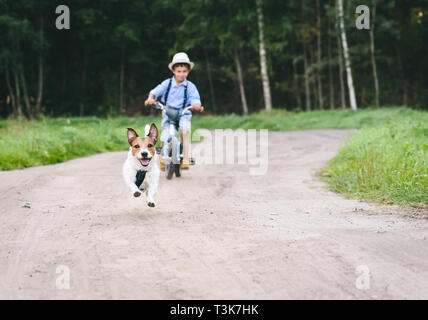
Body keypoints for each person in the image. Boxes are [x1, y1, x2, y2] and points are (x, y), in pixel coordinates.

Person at [145, 52, 202, 170]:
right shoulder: (168, 83)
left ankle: (185, 158)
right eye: (179, 71)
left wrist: (196, 104)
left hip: (184, 112)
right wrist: (151, 98)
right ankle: (161, 157)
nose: (181, 74)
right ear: (173, 71)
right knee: (165, 134)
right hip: (168, 111)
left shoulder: (190, 86)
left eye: (184, 71)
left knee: (184, 132)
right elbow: (156, 91)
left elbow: (195, 98)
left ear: (188, 72)